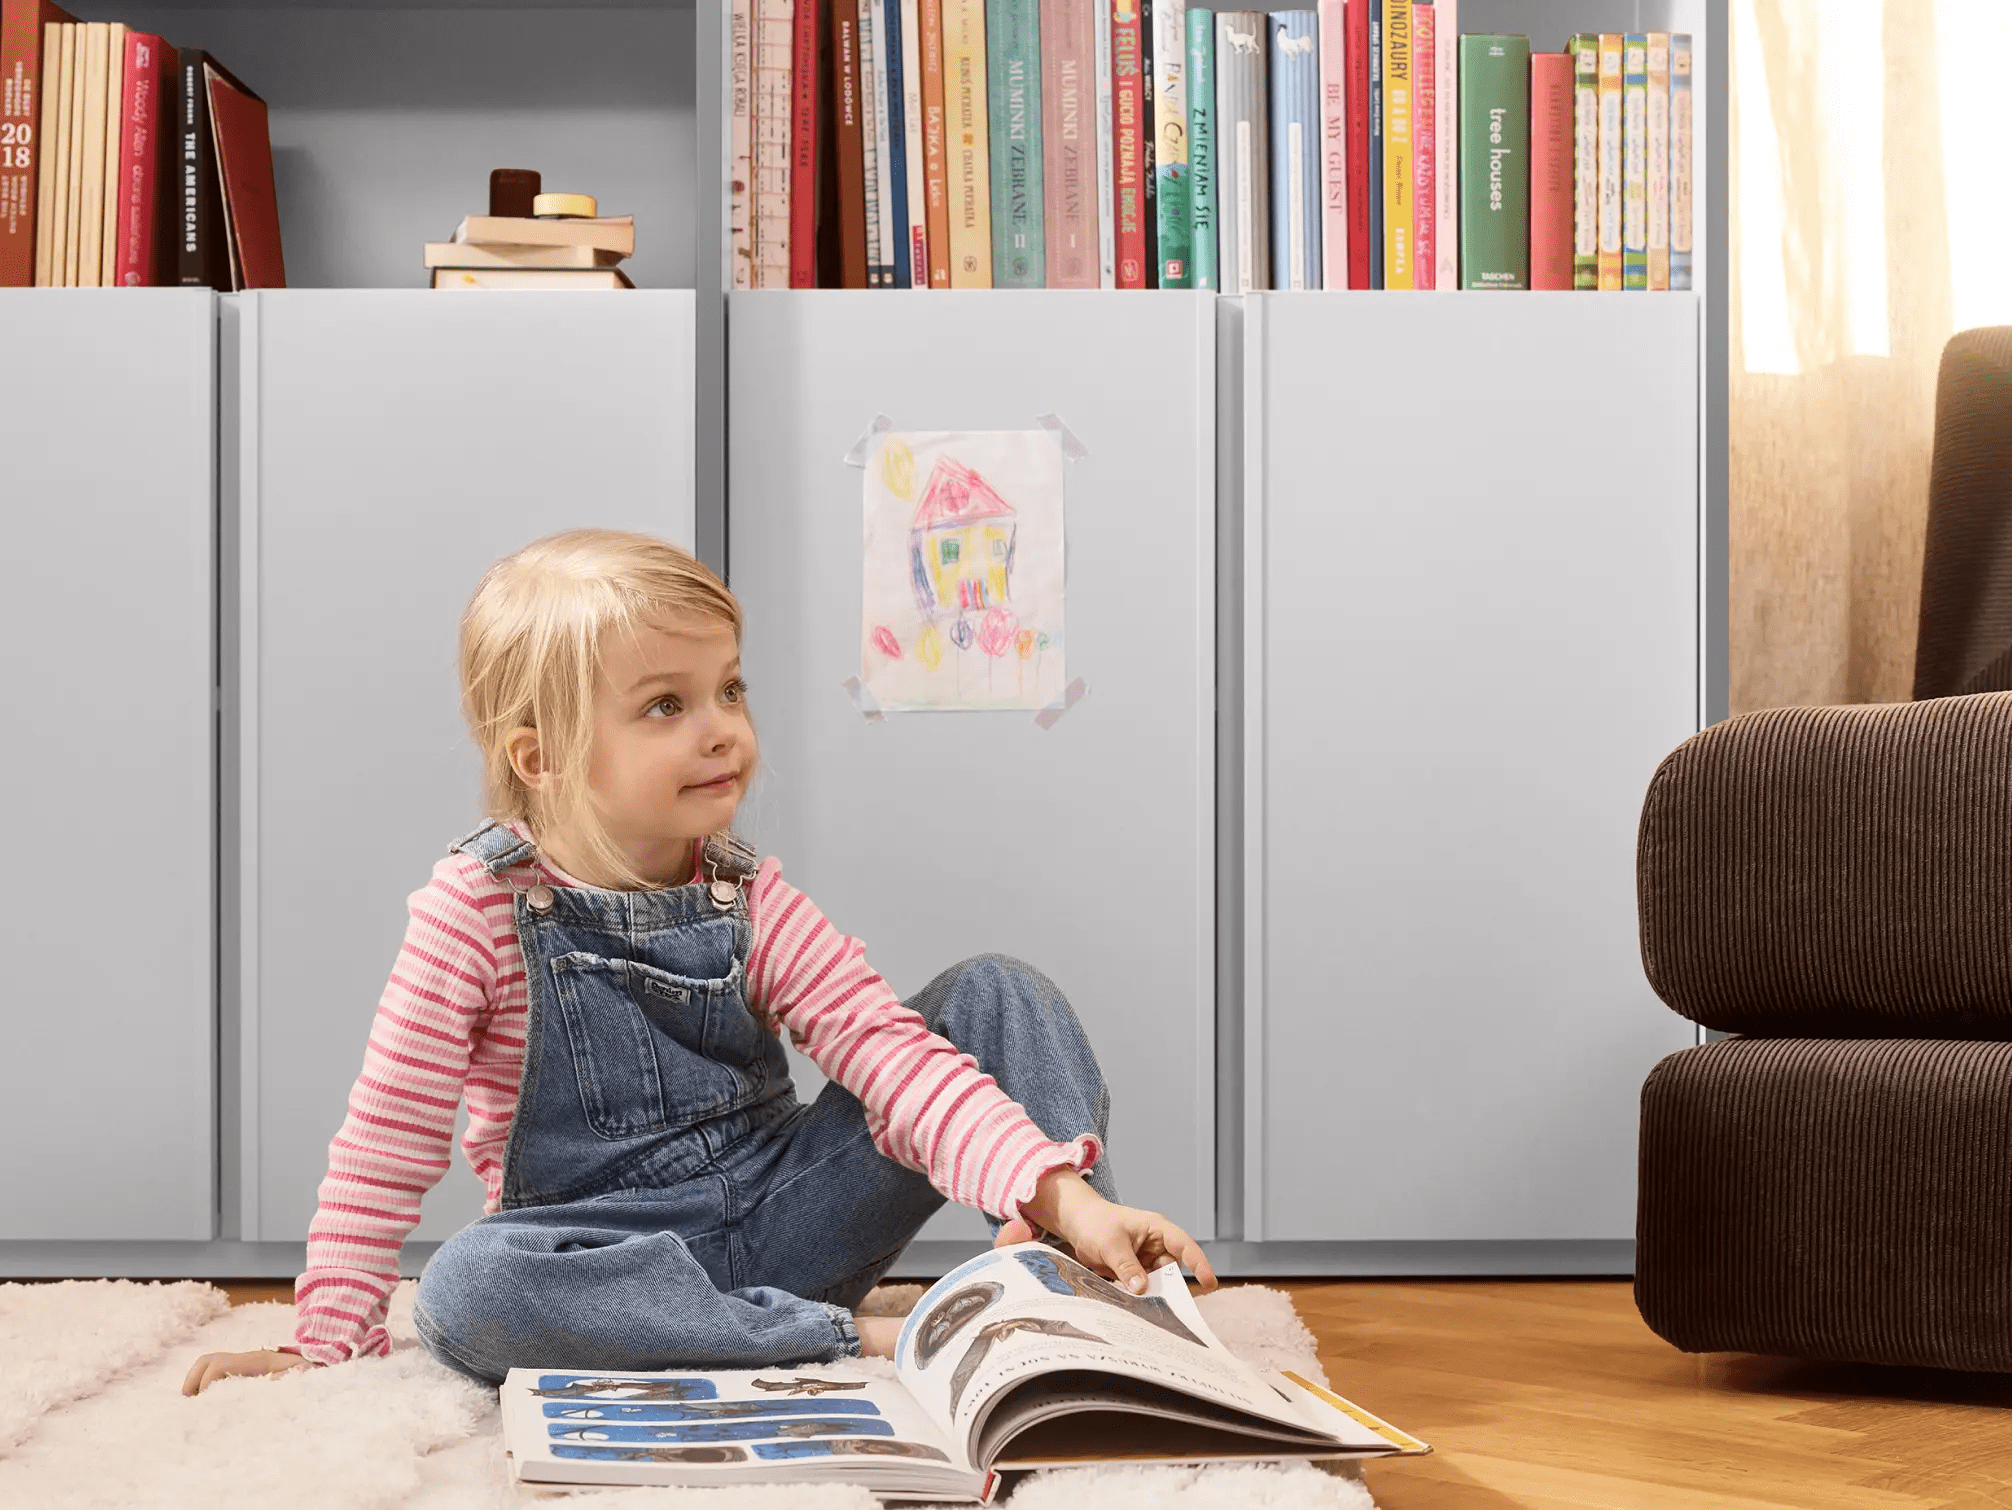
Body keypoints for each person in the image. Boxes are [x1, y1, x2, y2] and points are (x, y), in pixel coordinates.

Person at [182, 528, 1214, 1395]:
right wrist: (325, 1346)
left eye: (728, 688)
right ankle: (832, 1339)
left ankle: (1079, 1274)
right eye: (667, 706)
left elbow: (888, 1057)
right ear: (538, 756)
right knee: (464, 1290)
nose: (723, 730)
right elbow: (386, 1141)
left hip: (789, 1216)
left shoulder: (746, 893)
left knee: (994, 991)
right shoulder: (473, 910)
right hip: (601, 1261)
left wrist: (1058, 1193)